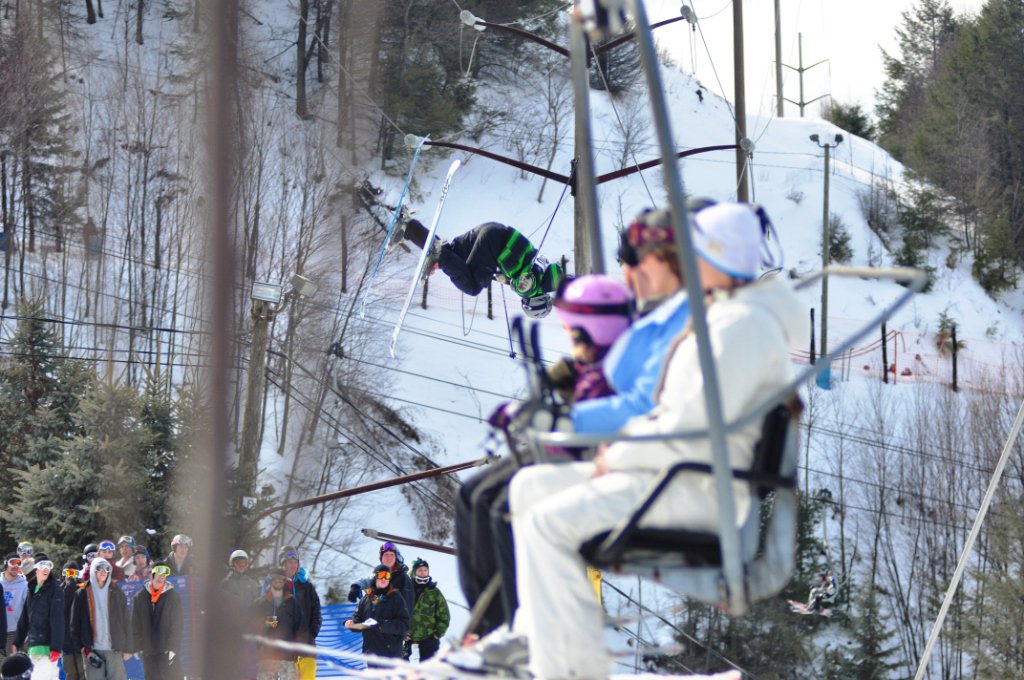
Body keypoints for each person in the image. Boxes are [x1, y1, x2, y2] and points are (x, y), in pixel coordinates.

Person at [506, 202, 807, 680]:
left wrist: (615, 455)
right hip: (678, 475)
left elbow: (684, 427)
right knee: (530, 488)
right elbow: (676, 417)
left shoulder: (738, 329)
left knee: (546, 523)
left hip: (696, 489)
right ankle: (551, 645)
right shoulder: (726, 318)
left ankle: (566, 669)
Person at [454, 274, 635, 635]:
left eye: (575, 331)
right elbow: (562, 390)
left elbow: (602, 423)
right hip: (559, 457)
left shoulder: (619, 372)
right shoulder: (591, 366)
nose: (570, 339)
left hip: (592, 470)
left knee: (500, 508)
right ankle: (485, 622)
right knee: (470, 495)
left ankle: (511, 625)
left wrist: (553, 418)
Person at [395, 216, 564, 319]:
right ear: (535, 302)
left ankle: (409, 228)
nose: (523, 297)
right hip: (494, 244)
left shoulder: (542, 271)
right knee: (473, 287)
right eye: (526, 301)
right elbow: (523, 280)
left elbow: (523, 270)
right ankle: (438, 255)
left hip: (493, 232)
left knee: (453, 255)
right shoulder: (533, 285)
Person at [70, 558, 133, 680]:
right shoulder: (81, 593)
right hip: (92, 650)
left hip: (114, 648)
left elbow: (126, 620)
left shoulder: (117, 592)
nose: (103, 571)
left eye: (106, 568)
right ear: (93, 570)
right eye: (99, 568)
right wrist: (82, 647)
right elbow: (74, 624)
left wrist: (128, 648)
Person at [344, 565, 409, 661]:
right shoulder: (366, 599)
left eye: (387, 576)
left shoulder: (396, 597)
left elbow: (404, 625)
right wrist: (351, 624)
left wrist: (381, 625)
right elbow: (359, 623)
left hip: (390, 655)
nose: (384, 579)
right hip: (371, 654)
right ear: (375, 577)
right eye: (381, 575)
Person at [131, 562, 182, 680]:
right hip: (148, 650)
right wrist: (136, 646)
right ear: (153, 573)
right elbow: (135, 624)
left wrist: (173, 647)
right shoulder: (140, 597)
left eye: (165, 572)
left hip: (166, 649)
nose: (162, 574)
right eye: (159, 571)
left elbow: (177, 625)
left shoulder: (173, 596)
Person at [14, 555, 62, 680]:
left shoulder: (55, 589)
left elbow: (58, 620)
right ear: (35, 569)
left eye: (49, 566)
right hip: (33, 647)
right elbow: (25, 618)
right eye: (42, 566)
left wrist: (56, 647)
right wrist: (17, 641)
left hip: (48, 649)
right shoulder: (32, 589)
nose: (46, 569)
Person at [278, 546, 320, 680]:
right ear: (283, 564)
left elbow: (316, 611)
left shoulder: (307, 586)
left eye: (295, 562)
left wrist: (312, 632)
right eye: (289, 562)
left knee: (308, 676)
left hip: (306, 643)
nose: (293, 565)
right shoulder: (277, 586)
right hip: (286, 644)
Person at [251, 568, 297, 680]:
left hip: (287, 654)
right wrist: (269, 622)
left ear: (285, 581)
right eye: (275, 578)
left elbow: (299, 625)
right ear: (270, 580)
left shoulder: (292, 603)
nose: (278, 581)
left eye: (281, 579)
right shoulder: (260, 603)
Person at [404, 559, 449, 662]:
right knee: (400, 669)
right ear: (414, 572)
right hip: (407, 639)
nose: (423, 572)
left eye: (425, 570)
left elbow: (444, 615)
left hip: (429, 640)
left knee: (428, 671)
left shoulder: (434, 592)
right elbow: (397, 611)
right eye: (420, 570)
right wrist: (401, 632)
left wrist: (437, 634)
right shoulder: (406, 590)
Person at [60, 562, 85, 680]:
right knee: (71, 673)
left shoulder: (82, 589)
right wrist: (69, 587)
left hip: (80, 639)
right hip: (66, 641)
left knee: (83, 673)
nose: (70, 576)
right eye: (67, 573)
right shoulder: (59, 590)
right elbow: (61, 607)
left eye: (73, 573)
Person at [2, 555, 28, 658]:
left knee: (16, 666)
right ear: (6, 564)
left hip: (16, 632)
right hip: (1, 632)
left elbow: (28, 609)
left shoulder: (24, 585)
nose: (15, 566)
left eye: (18, 563)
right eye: (12, 563)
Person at [222, 550, 260, 614]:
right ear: (232, 564)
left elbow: (256, 603)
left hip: (247, 618)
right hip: (230, 618)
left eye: (244, 564)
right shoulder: (226, 582)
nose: (241, 566)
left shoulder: (252, 583)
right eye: (238, 563)